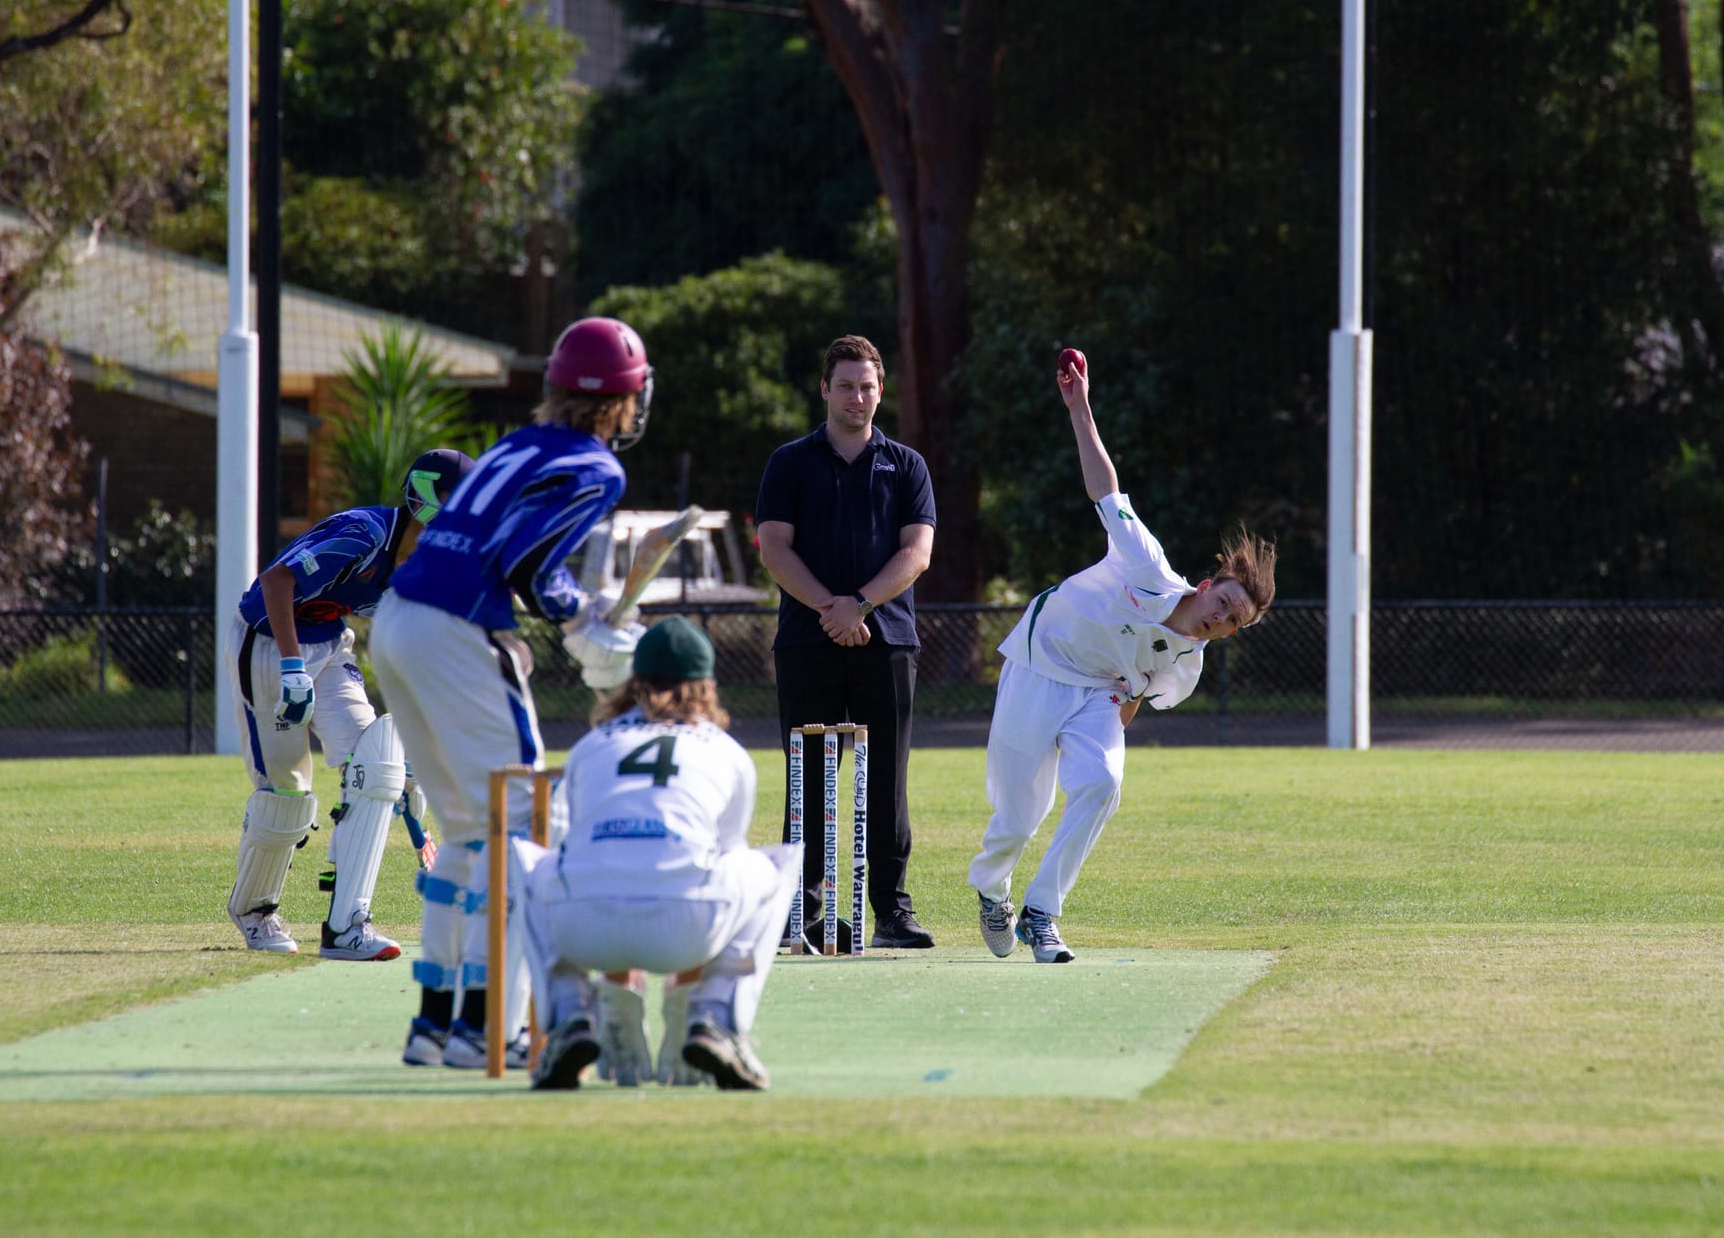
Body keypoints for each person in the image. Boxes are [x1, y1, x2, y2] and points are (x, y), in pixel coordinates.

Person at [368, 316, 653, 1070]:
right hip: (454, 628)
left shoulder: (517, 443)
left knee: (469, 833)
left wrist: (572, 607)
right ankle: (492, 1025)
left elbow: (508, 555)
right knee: (526, 821)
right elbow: (529, 565)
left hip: (397, 619)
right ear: (622, 399)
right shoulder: (597, 466)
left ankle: (439, 1024)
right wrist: (582, 618)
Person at [968, 349, 1277, 963]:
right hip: (1038, 664)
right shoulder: (1147, 564)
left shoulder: (1187, 665)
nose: (1221, 619)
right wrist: (1080, 408)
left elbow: (1131, 705)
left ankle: (1042, 912)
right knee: (1019, 817)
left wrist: (1110, 716)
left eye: (1234, 621)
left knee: (1103, 781)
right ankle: (992, 890)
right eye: (1224, 603)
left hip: (1097, 691)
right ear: (1208, 585)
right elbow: (1105, 490)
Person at [521, 616, 801, 1092]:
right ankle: (712, 1017)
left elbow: (589, 851)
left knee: (528, 863)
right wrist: (682, 993)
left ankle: (570, 1016)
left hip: (583, 928)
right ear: (707, 685)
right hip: (689, 929)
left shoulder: (589, 747)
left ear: (634, 681)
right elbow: (715, 857)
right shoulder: (728, 752)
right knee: (773, 864)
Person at [225, 447, 474, 960]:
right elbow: (275, 581)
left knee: (378, 765)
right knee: (287, 795)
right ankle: (255, 911)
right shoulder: (364, 533)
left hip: (331, 645)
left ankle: (346, 927)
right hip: (268, 641)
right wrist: (292, 667)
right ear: (425, 495)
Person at [755, 335, 936, 951]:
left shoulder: (906, 465)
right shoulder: (789, 462)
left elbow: (917, 552)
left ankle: (892, 913)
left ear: (880, 391)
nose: (856, 397)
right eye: (845, 386)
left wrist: (857, 605)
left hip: (887, 641)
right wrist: (829, 610)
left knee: (886, 782)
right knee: (807, 781)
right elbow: (774, 548)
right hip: (807, 643)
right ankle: (798, 914)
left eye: (867, 386)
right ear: (825, 390)